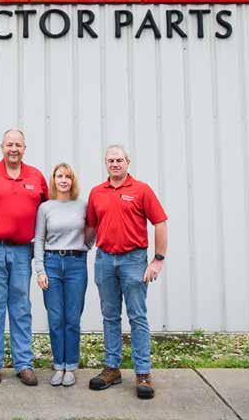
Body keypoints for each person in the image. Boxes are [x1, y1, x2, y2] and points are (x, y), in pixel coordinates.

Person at [85, 145, 168, 399]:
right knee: (110, 316)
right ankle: (112, 369)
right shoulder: (96, 192)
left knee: (137, 317)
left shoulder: (141, 190)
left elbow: (160, 222)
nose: (115, 164)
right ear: (105, 163)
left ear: (127, 162)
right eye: (110, 160)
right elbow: (90, 227)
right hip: (104, 260)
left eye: (119, 160)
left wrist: (158, 260)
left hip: (134, 261)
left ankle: (143, 373)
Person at [0, 129, 48, 386]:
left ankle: (24, 364)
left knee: (21, 307)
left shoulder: (36, 176)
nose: (14, 149)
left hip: (22, 251)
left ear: (24, 148)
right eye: (9, 144)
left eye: (18, 145)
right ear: (2, 147)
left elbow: (47, 210)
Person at [34, 163, 91, 387]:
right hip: (52, 263)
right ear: (54, 180)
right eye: (60, 176)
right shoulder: (45, 208)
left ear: (73, 180)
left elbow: (92, 229)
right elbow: (39, 239)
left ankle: (71, 366)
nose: (64, 180)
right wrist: (40, 270)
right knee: (56, 317)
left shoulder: (83, 205)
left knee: (72, 318)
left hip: (76, 264)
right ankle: (58, 365)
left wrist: (85, 246)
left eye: (68, 176)